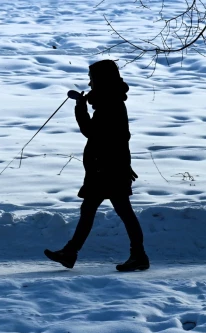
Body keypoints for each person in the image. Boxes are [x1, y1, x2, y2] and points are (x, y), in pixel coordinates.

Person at [44, 59, 149, 272]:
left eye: (92, 78)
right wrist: (82, 103)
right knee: (93, 209)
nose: (90, 83)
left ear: (101, 79)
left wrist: (80, 106)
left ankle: (138, 256)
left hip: (109, 169)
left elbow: (93, 133)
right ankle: (70, 252)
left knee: (122, 211)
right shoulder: (109, 101)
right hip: (106, 168)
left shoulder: (111, 104)